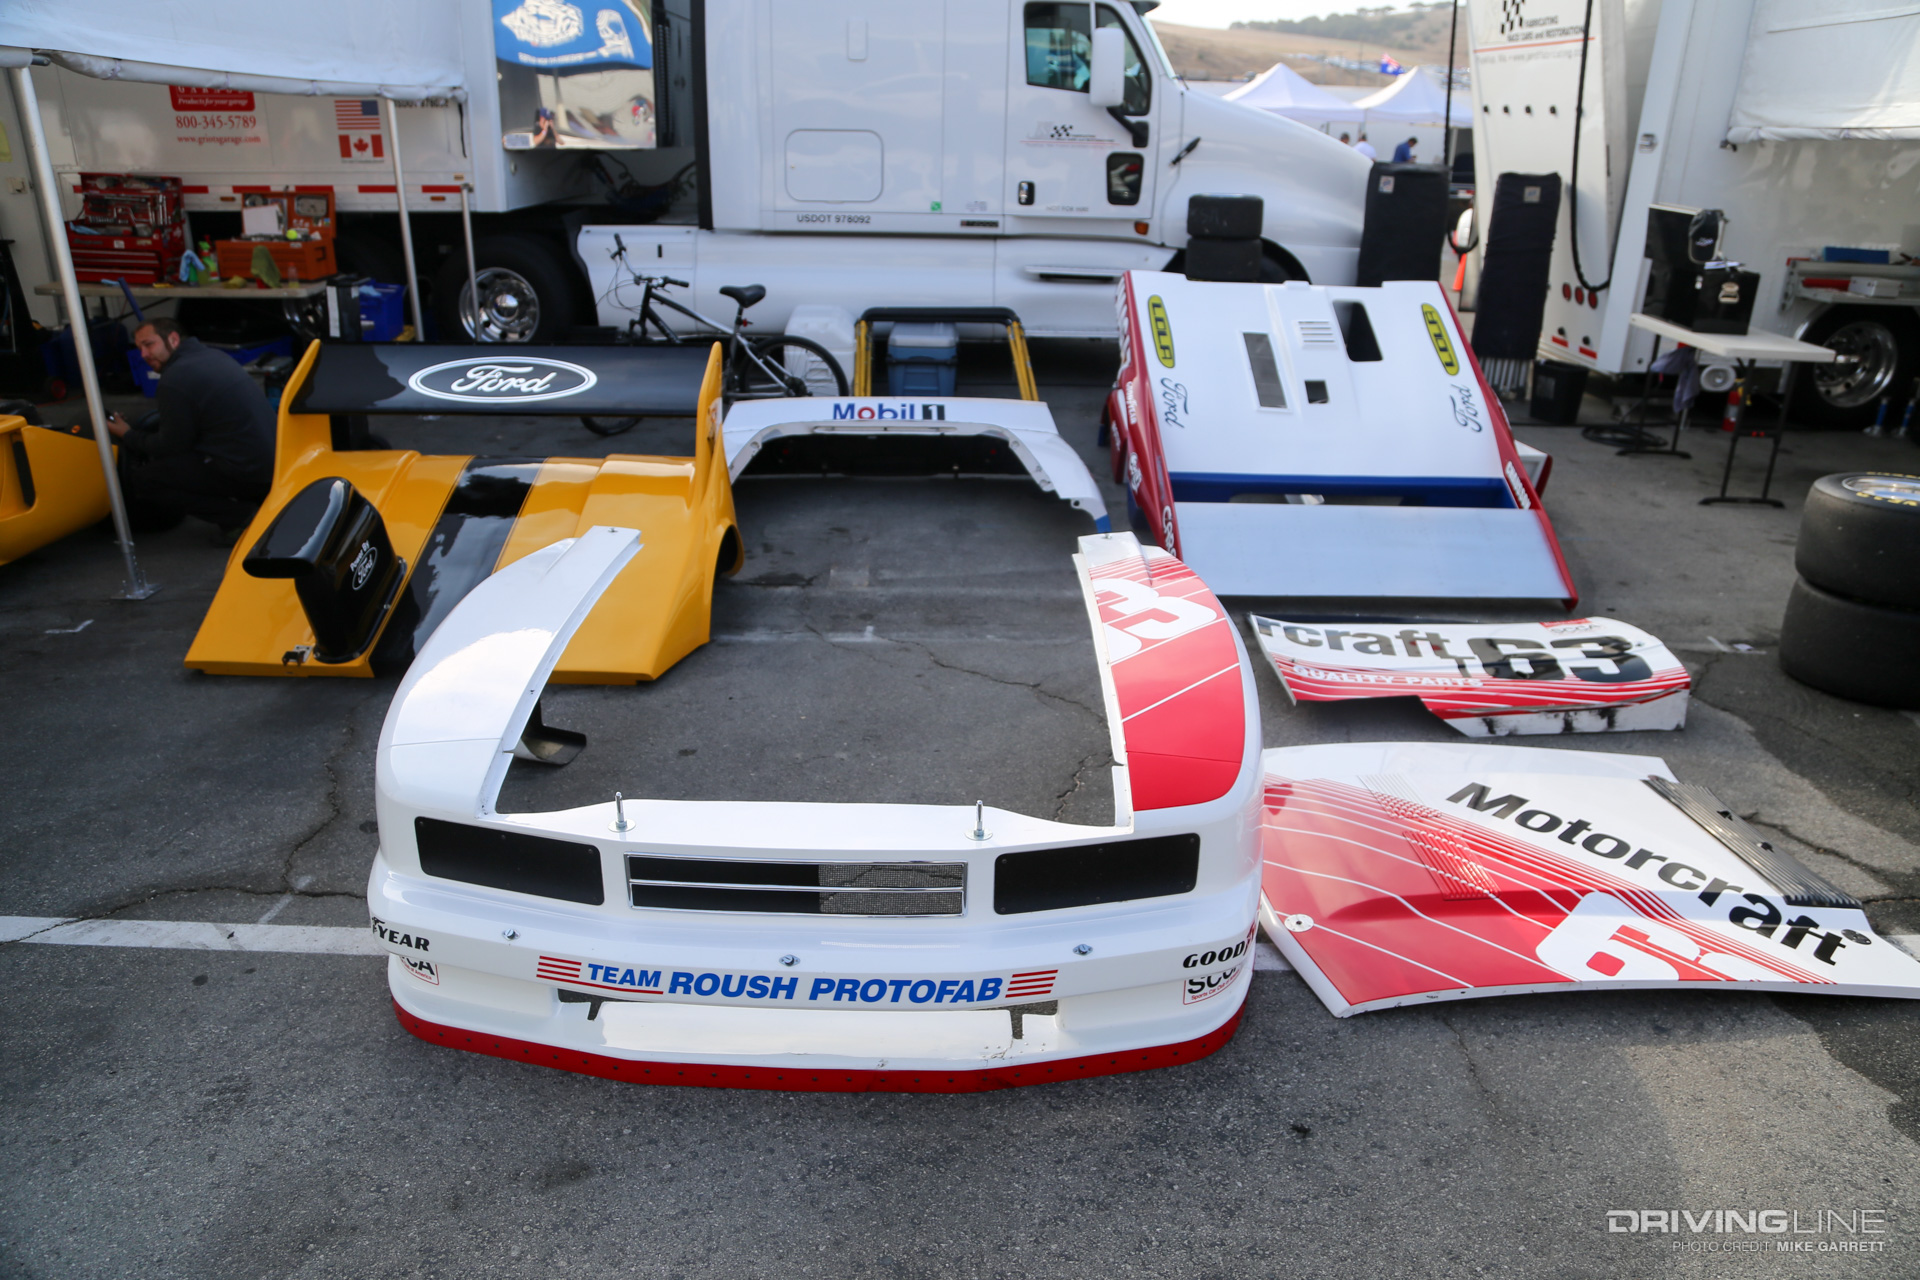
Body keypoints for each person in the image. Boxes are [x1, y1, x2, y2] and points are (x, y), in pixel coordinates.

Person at [105, 317, 275, 536]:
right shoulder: (212, 355)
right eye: (139, 348)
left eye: (149, 344)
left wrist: (128, 434)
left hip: (248, 472)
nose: (144, 355)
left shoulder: (175, 378)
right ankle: (255, 503)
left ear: (173, 339)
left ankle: (240, 518)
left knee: (146, 479)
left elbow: (171, 445)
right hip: (273, 465)